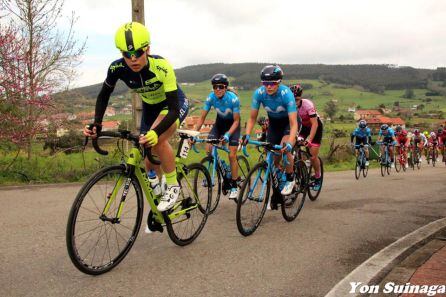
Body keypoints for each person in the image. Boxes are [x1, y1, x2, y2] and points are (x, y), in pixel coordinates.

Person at [83, 22, 189, 212]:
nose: (133, 59)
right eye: (127, 55)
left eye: (138, 53)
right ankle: (159, 207)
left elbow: (173, 109)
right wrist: (97, 123)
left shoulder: (162, 66)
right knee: (148, 158)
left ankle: (173, 186)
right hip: (150, 107)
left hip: (171, 105)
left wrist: (156, 132)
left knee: (157, 141)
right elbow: (103, 95)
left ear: (147, 48)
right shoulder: (116, 68)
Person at [242, 65, 298, 205]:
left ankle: (291, 178)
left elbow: (293, 123)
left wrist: (290, 143)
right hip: (274, 124)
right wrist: (247, 135)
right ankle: (278, 186)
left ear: (279, 82)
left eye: (272, 83)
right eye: (265, 83)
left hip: (288, 123)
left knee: (284, 148)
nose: (269, 87)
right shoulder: (259, 93)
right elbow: (252, 118)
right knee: (272, 160)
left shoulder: (286, 94)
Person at [194, 74, 241, 199]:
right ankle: (220, 168)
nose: (218, 89)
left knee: (232, 155)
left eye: (221, 87)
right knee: (209, 148)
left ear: (226, 87)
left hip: (233, 126)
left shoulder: (233, 99)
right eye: (215, 87)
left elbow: (236, 121)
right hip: (219, 125)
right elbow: (202, 118)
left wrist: (227, 135)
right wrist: (193, 133)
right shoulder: (211, 98)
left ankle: (235, 185)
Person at [290, 84, 323, 190]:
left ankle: (318, 177)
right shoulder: (288, 105)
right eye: (292, 99)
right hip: (302, 127)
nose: (295, 101)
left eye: (297, 99)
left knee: (313, 156)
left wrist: (309, 140)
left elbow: (315, 124)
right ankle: (301, 168)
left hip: (315, 127)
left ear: (301, 97)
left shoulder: (307, 105)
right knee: (293, 146)